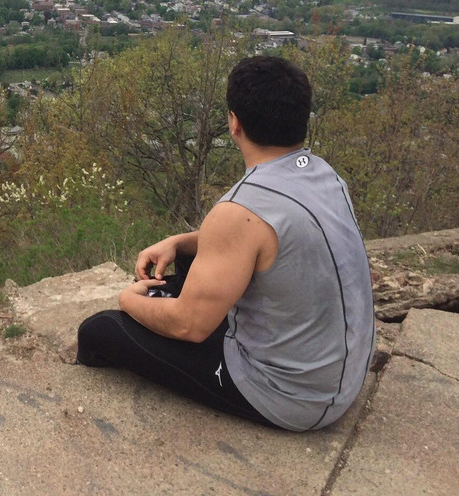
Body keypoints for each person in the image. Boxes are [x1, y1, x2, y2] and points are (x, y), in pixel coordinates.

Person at [76, 55, 375, 431]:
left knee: (101, 330)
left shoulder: (239, 208)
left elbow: (190, 327)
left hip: (291, 397)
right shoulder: (323, 174)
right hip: (339, 376)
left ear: (234, 123)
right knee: (187, 267)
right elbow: (267, 240)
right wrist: (180, 242)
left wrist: (128, 301)